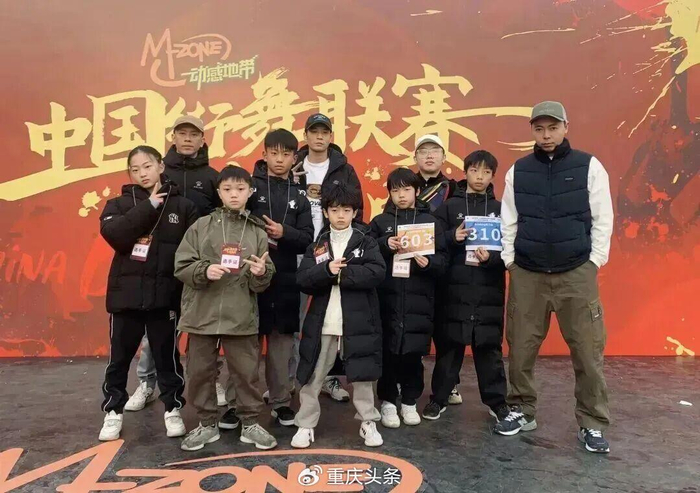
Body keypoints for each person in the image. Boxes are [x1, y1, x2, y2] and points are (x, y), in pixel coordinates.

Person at [494, 101, 614, 454]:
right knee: (520, 347)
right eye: (539, 129)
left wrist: (594, 261)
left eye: (552, 128)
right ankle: (521, 409)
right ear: (532, 130)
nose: (546, 135)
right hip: (527, 273)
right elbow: (508, 219)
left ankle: (592, 422)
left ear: (565, 127)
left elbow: (603, 218)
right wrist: (510, 262)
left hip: (576, 272)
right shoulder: (519, 170)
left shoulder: (589, 166)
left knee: (588, 351)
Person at [126, 115, 230, 412]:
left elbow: (221, 219)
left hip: (200, 265)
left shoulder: (212, 177)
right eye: (181, 133)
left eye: (193, 134)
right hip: (162, 263)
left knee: (205, 329)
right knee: (156, 328)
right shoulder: (159, 171)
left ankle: (211, 380)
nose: (187, 139)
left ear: (202, 139)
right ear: (173, 137)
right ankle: (147, 383)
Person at [98, 145, 198, 441]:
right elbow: (115, 235)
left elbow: (193, 249)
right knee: (119, 359)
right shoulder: (117, 205)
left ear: (161, 167)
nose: (142, 173)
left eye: (148, 166)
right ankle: (113, 411)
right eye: (135, 169)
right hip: (126, 296)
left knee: (167, 358)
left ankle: (173, 408)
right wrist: (150, 204)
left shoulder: (184, 206)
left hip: (164, 296)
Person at [175, 166, 277, 452]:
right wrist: (204, 270)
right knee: (199, 372)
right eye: (228, 189)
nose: (234, 194)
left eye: (240, 189)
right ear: (218, 193)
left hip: (240, 313)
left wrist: (261, 273)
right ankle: (206, 424)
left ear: (250, 192)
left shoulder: (256, 231)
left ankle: (250, 423)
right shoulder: (201, 226)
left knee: (246, 372)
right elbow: (181, 265)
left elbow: (264, 276)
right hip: (201, 312)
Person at [291, 184, 386, 448]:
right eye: (334, 210)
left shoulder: (366, 241)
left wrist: (341, 274)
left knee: (363, 376)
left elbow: (378, 272)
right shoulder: (317, 245)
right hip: (323, 323)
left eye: (346, 210)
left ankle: (368, 422)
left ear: (354, 212)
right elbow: (303, 279)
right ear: (325, 212)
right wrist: (326, 271)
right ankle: (305, 424)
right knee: (313, 376)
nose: (340, 215)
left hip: (358, 322)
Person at [425, 150, 510, 423]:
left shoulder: (501, 210)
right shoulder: (450, 207)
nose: (479, 177)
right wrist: (453, 236)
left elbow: (511, 250)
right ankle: (438, 398)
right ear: (465, 172)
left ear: (493, 176)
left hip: (488, 289)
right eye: (474, 170)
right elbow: (432, 239)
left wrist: (492, 258)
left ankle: (497, 403)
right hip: (454, 289)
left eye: (486, 172)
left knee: (489, 348)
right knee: (449, 347)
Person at [293, 113, 364, 402]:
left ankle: (330, 378)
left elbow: (358, 208)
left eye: (324, 132)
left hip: (334, 253)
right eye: (314, 131)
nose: (319, 137)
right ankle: (294, 378)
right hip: (298, 250)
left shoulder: (344, 169)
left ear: (331, 137)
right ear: (306, 135)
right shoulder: (294, 166)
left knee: (332, 319)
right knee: (297, 319)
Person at [369, 168, 446, 429]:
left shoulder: (430, 222)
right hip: (387, 299)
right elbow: (366, 254)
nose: (401, 195)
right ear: (389, 193)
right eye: (395, 190)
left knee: (413, 353)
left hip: (419, 300)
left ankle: (410, 401)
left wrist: (429, 263)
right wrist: (384, 244)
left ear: (417, 191)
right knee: (389, 353)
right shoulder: (380, 222)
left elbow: (444, 262)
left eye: (406, 189)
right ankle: (388, 401)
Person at [247, 129, 313, 428]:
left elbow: (308, 239)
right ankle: (241, 404)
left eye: (286, 154)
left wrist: (284, 232)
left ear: (294, 158)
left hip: (286, 277)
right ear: (264, 155)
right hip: (250, 277)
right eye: (273, 153)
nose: (279, 159)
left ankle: (281, 402)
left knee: (281, 345)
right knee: (246, 345)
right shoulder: (249, 189)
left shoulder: (300, 195)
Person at [414, 134, 457, 213]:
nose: (429, 156)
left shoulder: (452, 188)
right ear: (415, 159)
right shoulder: (407, 186)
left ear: (444, 158)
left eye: (435, 151)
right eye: (423, 152)